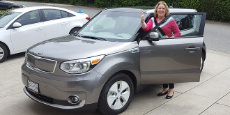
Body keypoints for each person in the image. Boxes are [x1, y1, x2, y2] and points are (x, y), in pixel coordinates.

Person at [141, 1, 181, 99]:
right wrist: (142, 22)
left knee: (168, 69)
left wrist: (170, 38)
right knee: (161, 69)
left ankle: (171, 90)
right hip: (156, 48)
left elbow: (178, 33)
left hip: (167, 48)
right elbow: (146, 29)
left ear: (165, 10)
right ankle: (165, 88)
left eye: (163, 8)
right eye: (159, 8)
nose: (161, 10)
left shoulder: (170, 20)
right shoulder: (152, 20)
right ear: (157, 9)